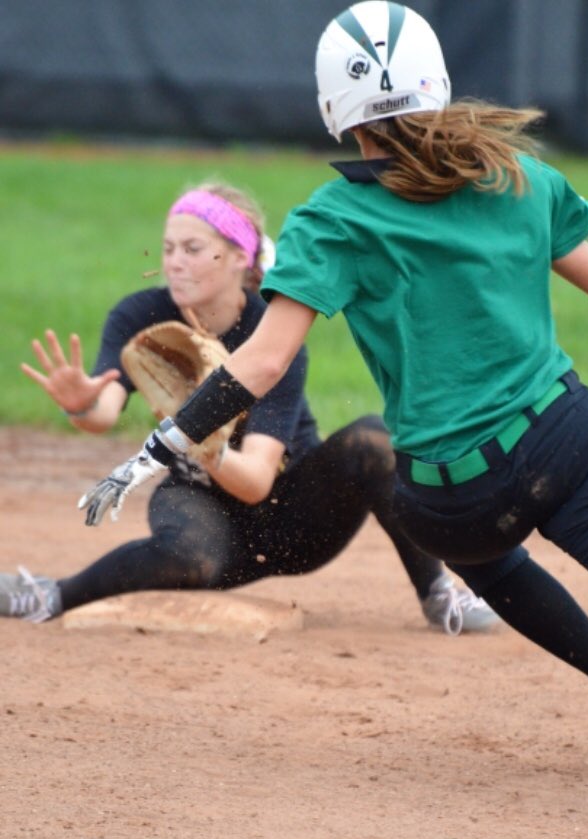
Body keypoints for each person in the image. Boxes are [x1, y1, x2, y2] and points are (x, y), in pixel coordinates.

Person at [76, 1, 588, 749]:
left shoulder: (331, 217)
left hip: (451, 495)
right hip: (569, 441)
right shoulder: (517, 174)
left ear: (330, 108)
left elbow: (263, 360)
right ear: (436, 84)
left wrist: (155, 451)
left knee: (485, 558)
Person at [0, 178, 500, 635]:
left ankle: (438, 594)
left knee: (374, 440)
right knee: (187, 557)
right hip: (201, 509)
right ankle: (49, 594)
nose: (174, 261)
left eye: (194, 249)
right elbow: (105, 410)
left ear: (240, 257)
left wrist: (204, 443)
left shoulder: (271, 330)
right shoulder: (142, 313)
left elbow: (259, 480)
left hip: (291, 518)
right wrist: (82, 405)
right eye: (170, 248)